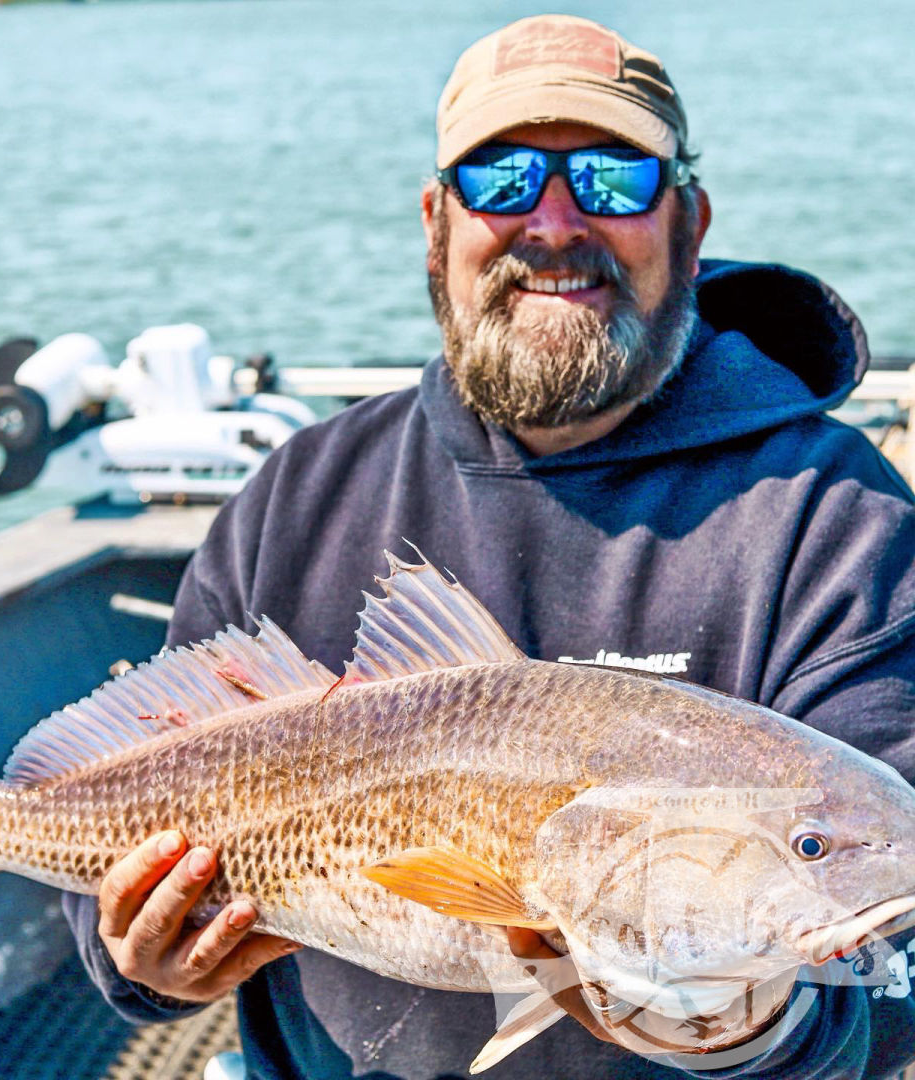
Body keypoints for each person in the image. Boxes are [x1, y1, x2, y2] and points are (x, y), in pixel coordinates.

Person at [63, 14, 915, 1078]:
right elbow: (104, 875)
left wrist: (758, 1031)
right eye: (502, 178)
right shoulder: (296, 495)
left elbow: (897, 965)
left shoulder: (840, 520)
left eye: (611, 180)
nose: (554, 223)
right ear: (437, 222)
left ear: (688, 224)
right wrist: (146, 962)